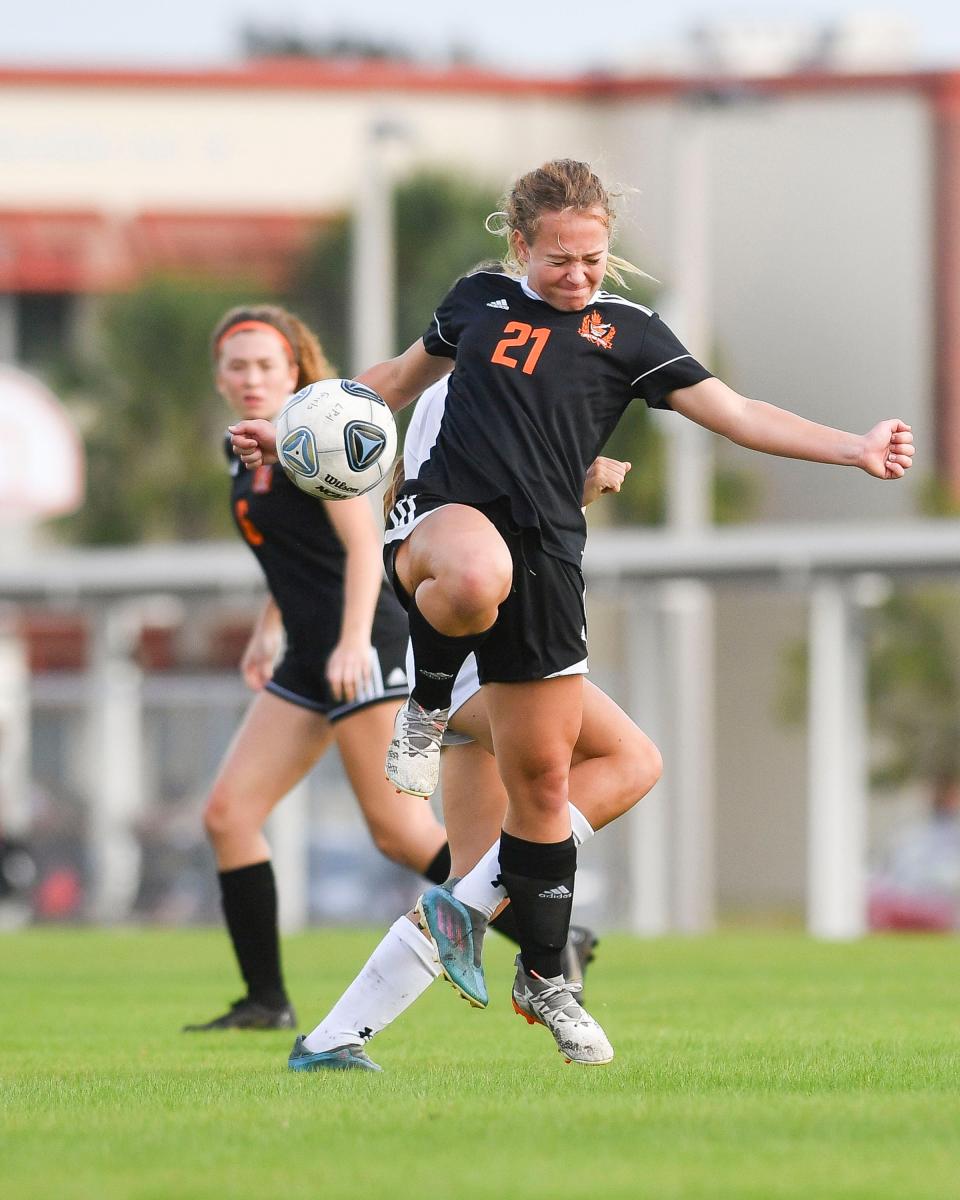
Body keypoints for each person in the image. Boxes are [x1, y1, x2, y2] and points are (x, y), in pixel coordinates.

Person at [230, 158, 915, 1063]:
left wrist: (854, 448)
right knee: (476, 572)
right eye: (561, 259)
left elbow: (739, 414)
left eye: (594, 259)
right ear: (520, 244)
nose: (580, 276)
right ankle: (425, 713)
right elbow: (386, 386)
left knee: (544, 807)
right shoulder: (476, 304)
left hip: (548, 565)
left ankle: (485, 986)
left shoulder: (626, 334)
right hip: (442, 539)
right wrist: (289, 427)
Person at [184, 304, 452, 1031]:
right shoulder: (243, 450)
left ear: (295, 371)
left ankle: (550, 931)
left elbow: (363, 549)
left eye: (266, 365)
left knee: (399, 834)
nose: (250, 377)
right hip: (305, 654)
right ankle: (265, 1001)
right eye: (236, 365)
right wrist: (267, 630)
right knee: (229, 815)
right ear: (219, 376)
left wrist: (351, 640)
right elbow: (294, 560)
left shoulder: (313, 438)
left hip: (358, 646)